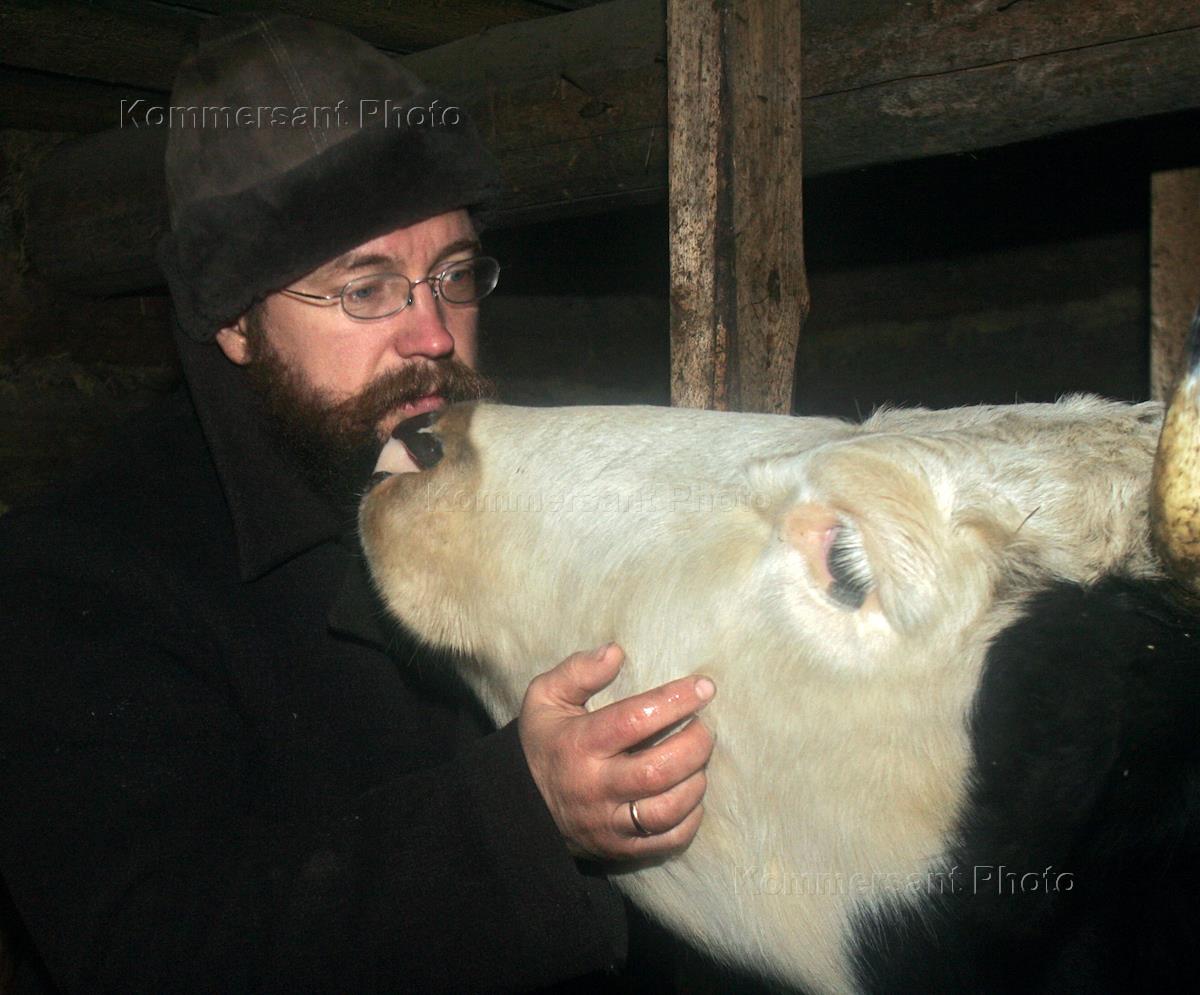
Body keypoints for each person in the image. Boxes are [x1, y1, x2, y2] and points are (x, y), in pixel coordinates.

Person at [0, 14, 714, 993]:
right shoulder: (74, 573)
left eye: (453, 274)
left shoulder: (519, 493)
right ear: (235, 321)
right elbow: (152, 949)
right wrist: (525, 815)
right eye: (367, 288)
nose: (434, 332)